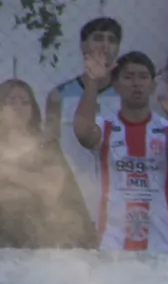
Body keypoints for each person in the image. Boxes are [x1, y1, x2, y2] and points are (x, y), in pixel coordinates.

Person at [74, 51, 168, 251]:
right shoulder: (106, 127)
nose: (136, 83)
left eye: (143, 77)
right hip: (112, 244)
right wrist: (92, 82)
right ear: (116, 85)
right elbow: (84, 133)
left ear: (153, 85)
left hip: (160, 244)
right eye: (128, 77)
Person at [44, 17, 123, 229]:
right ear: (83, 45)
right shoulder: (60, 94)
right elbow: (51, 143)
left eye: (112, 40)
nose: (105, 45)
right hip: (73, 185)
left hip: (118, 189)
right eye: (98, 38)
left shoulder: (127, 95)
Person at [0, 79, 91, 248]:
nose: (17, 107)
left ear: (33, 110)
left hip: (42, 236)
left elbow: (50, 188)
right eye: (10, 101)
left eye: (25, 102)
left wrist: (8, 172)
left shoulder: (45, 145)